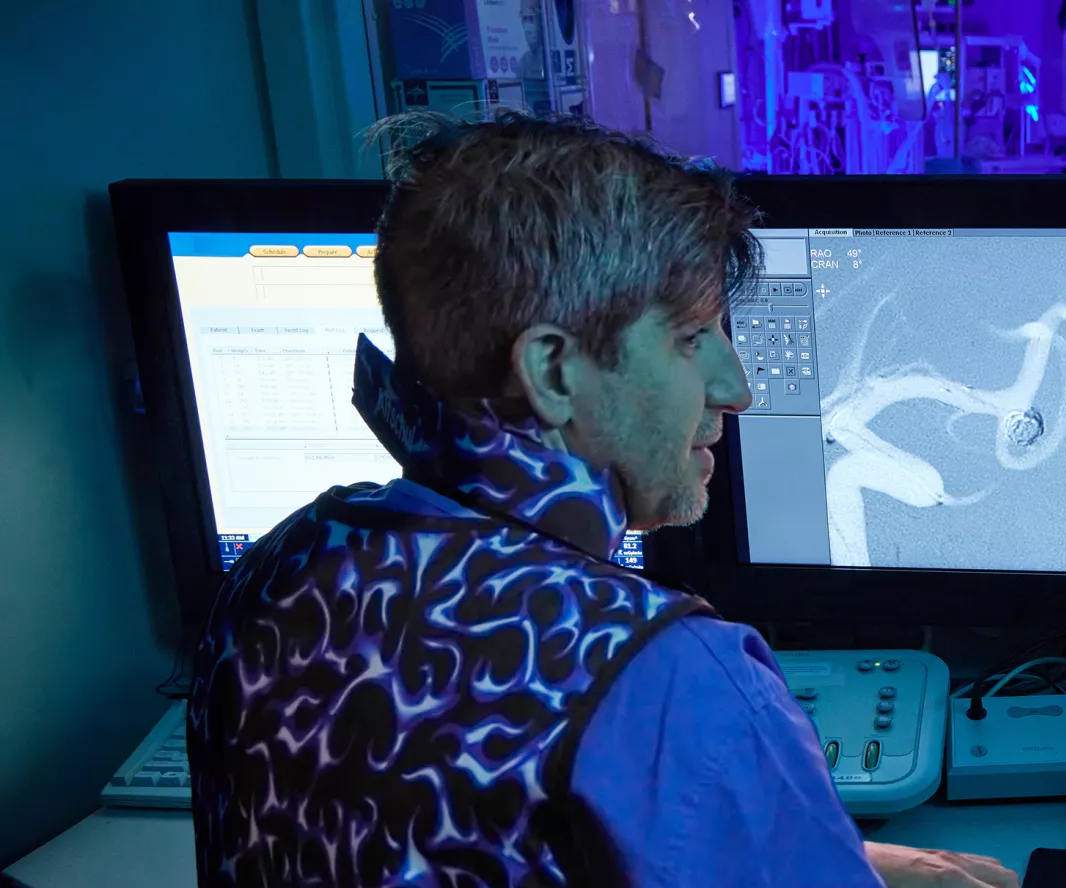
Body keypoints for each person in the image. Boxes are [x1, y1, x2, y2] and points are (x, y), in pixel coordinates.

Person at [187, 114, 1017, 888]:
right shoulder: (670, 678)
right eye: (693, 338)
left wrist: (836, 856)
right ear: (552, 371)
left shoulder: (274, 569)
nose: (737, 388)